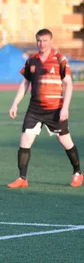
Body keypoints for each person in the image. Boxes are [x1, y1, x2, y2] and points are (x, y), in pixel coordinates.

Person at [7, 29, 82, 188]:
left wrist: (65, 108)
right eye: (39, 41)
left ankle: (77, 173)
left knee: (65, 142)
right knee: (25, 141)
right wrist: (15, 103)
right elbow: (25, 83)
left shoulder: (60, 59)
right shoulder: (31, 60)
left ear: (51, 41)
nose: (42, 44)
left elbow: (68, 84)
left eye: (45, 40)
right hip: (34, 110)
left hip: (55, 109)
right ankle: (22, 178)